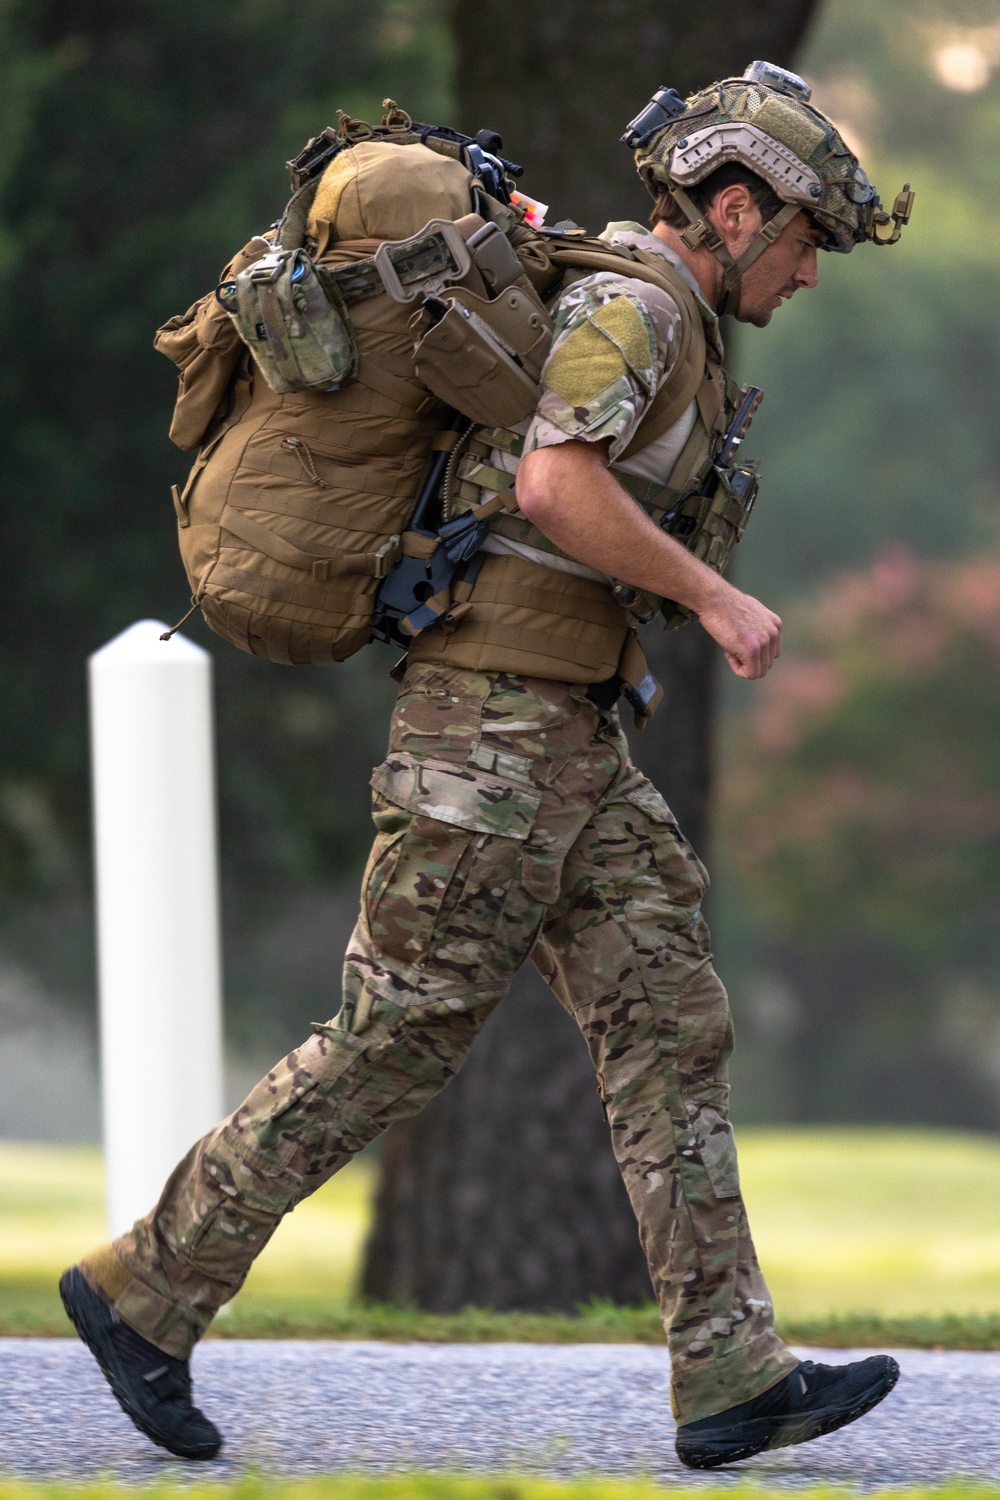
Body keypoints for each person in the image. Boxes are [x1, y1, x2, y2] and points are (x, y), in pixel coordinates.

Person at [61, 62, 911, 1469]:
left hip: (565, 735)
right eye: (809, 235)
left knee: (671, 1018)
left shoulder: (674, 314)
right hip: (492, 731)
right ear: (739, 205)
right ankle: (144, 1289)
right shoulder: (637, 304)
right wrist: (711, 596)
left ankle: (730, 1372)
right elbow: (553, 485)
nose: (811, 271)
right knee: (399, 1031)